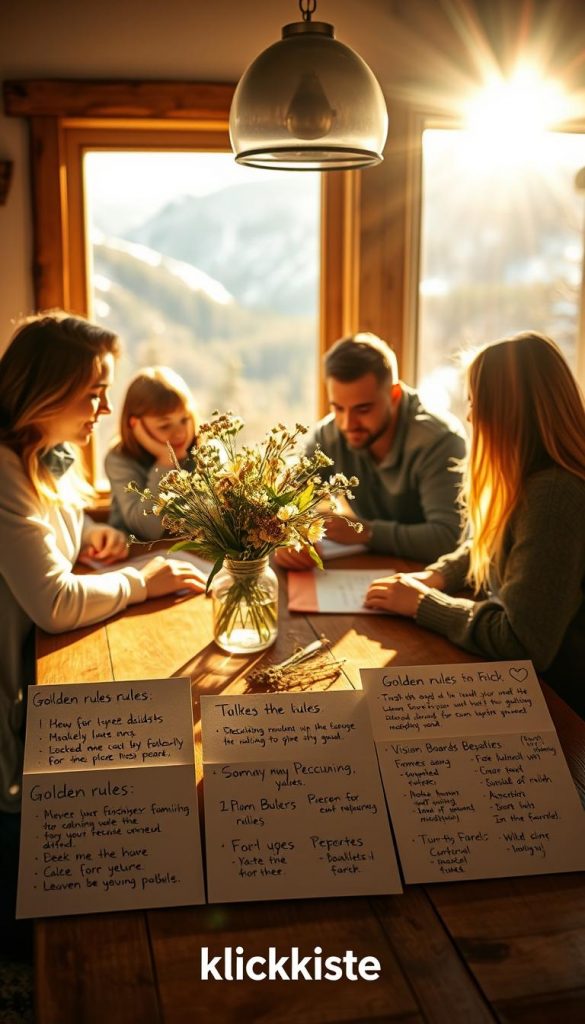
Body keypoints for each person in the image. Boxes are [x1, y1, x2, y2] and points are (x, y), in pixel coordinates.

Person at [0, 313, 206, 948]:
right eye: (94, 392)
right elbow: (55, 603)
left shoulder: (43, 458)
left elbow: (41, 537)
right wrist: (144, 582)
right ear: (47, 389)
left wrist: (93, 535)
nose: (105, 407)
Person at [365, 331, 585, 716]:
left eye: (476, 401)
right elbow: (494, 543)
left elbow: (522, 642)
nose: (469, 414)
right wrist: (436, 577)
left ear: (509, 410)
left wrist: (423, 604)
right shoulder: (535, 479)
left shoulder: (554, 496)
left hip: (559, 706)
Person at [278, 331, 466, 568]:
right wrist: (287, 536)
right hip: (368, 570)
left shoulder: (439, 441)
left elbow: (449, 539)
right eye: (338, 408)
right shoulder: (331, 433)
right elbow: (285, 498)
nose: (348, 424)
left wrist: (368, 533)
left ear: (394, 394)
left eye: (363, 409)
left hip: (435, 577)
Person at [106, 366, 198, 540]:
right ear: (135, 425)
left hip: (194, 557)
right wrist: (166, 462)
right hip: (135, 555)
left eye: (184, 419)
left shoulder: (206, 452)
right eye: (165, 425)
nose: (180, 433)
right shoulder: (119, 460)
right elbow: (147, 529)